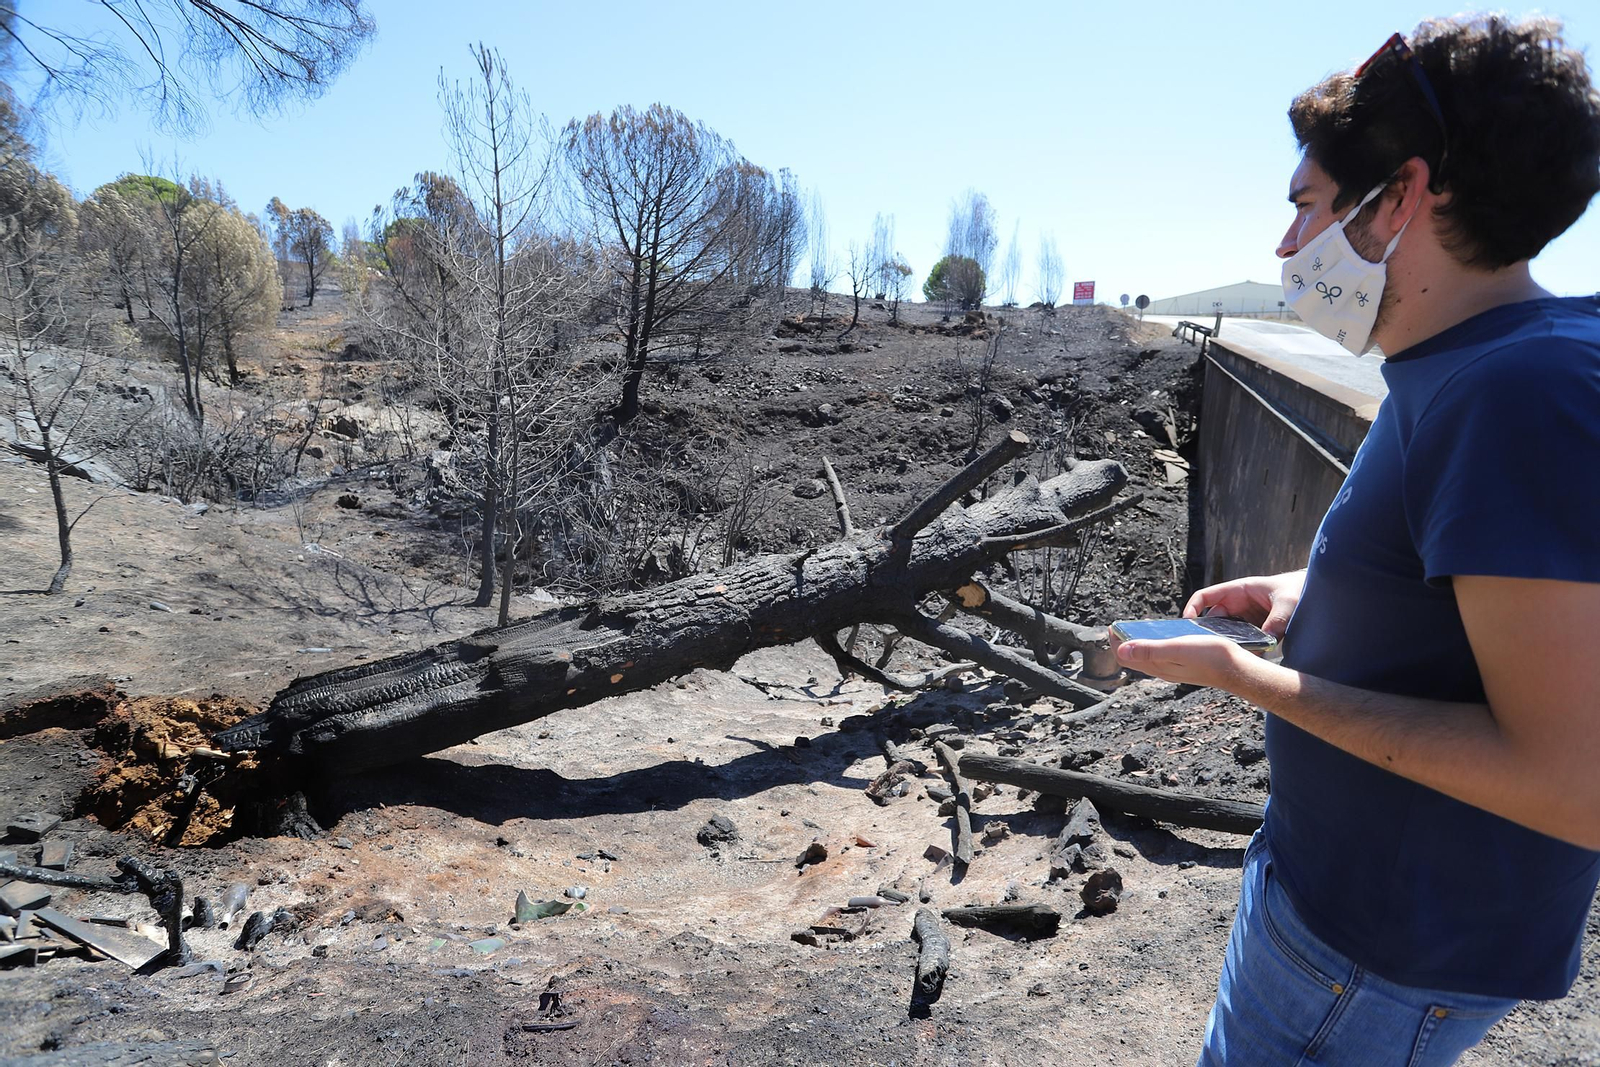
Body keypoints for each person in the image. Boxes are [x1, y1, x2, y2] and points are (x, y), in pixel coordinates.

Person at [1112, 15, 1600, 1066]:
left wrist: (1246, 680)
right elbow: (1484, 588)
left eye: (1307, 208)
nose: (1285, 248)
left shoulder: (1515, 395)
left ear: (1401, 198)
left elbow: (1575, 781)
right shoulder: (1478, 361)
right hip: (1344, 910)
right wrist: (1310, 587)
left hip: (1373, 960)